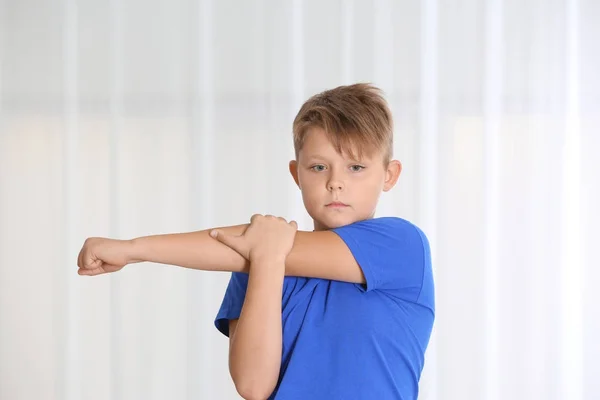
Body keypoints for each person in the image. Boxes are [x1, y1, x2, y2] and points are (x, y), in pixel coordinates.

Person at [77, 83, 435, 400]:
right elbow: (253, 386)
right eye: (318, 167)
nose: (336, 182)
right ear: (296, 174)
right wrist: (264, 260)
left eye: (356, 167)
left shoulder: (402, 246)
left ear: (389, 175)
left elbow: (254, 246)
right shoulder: (253, 262)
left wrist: (134, 249)